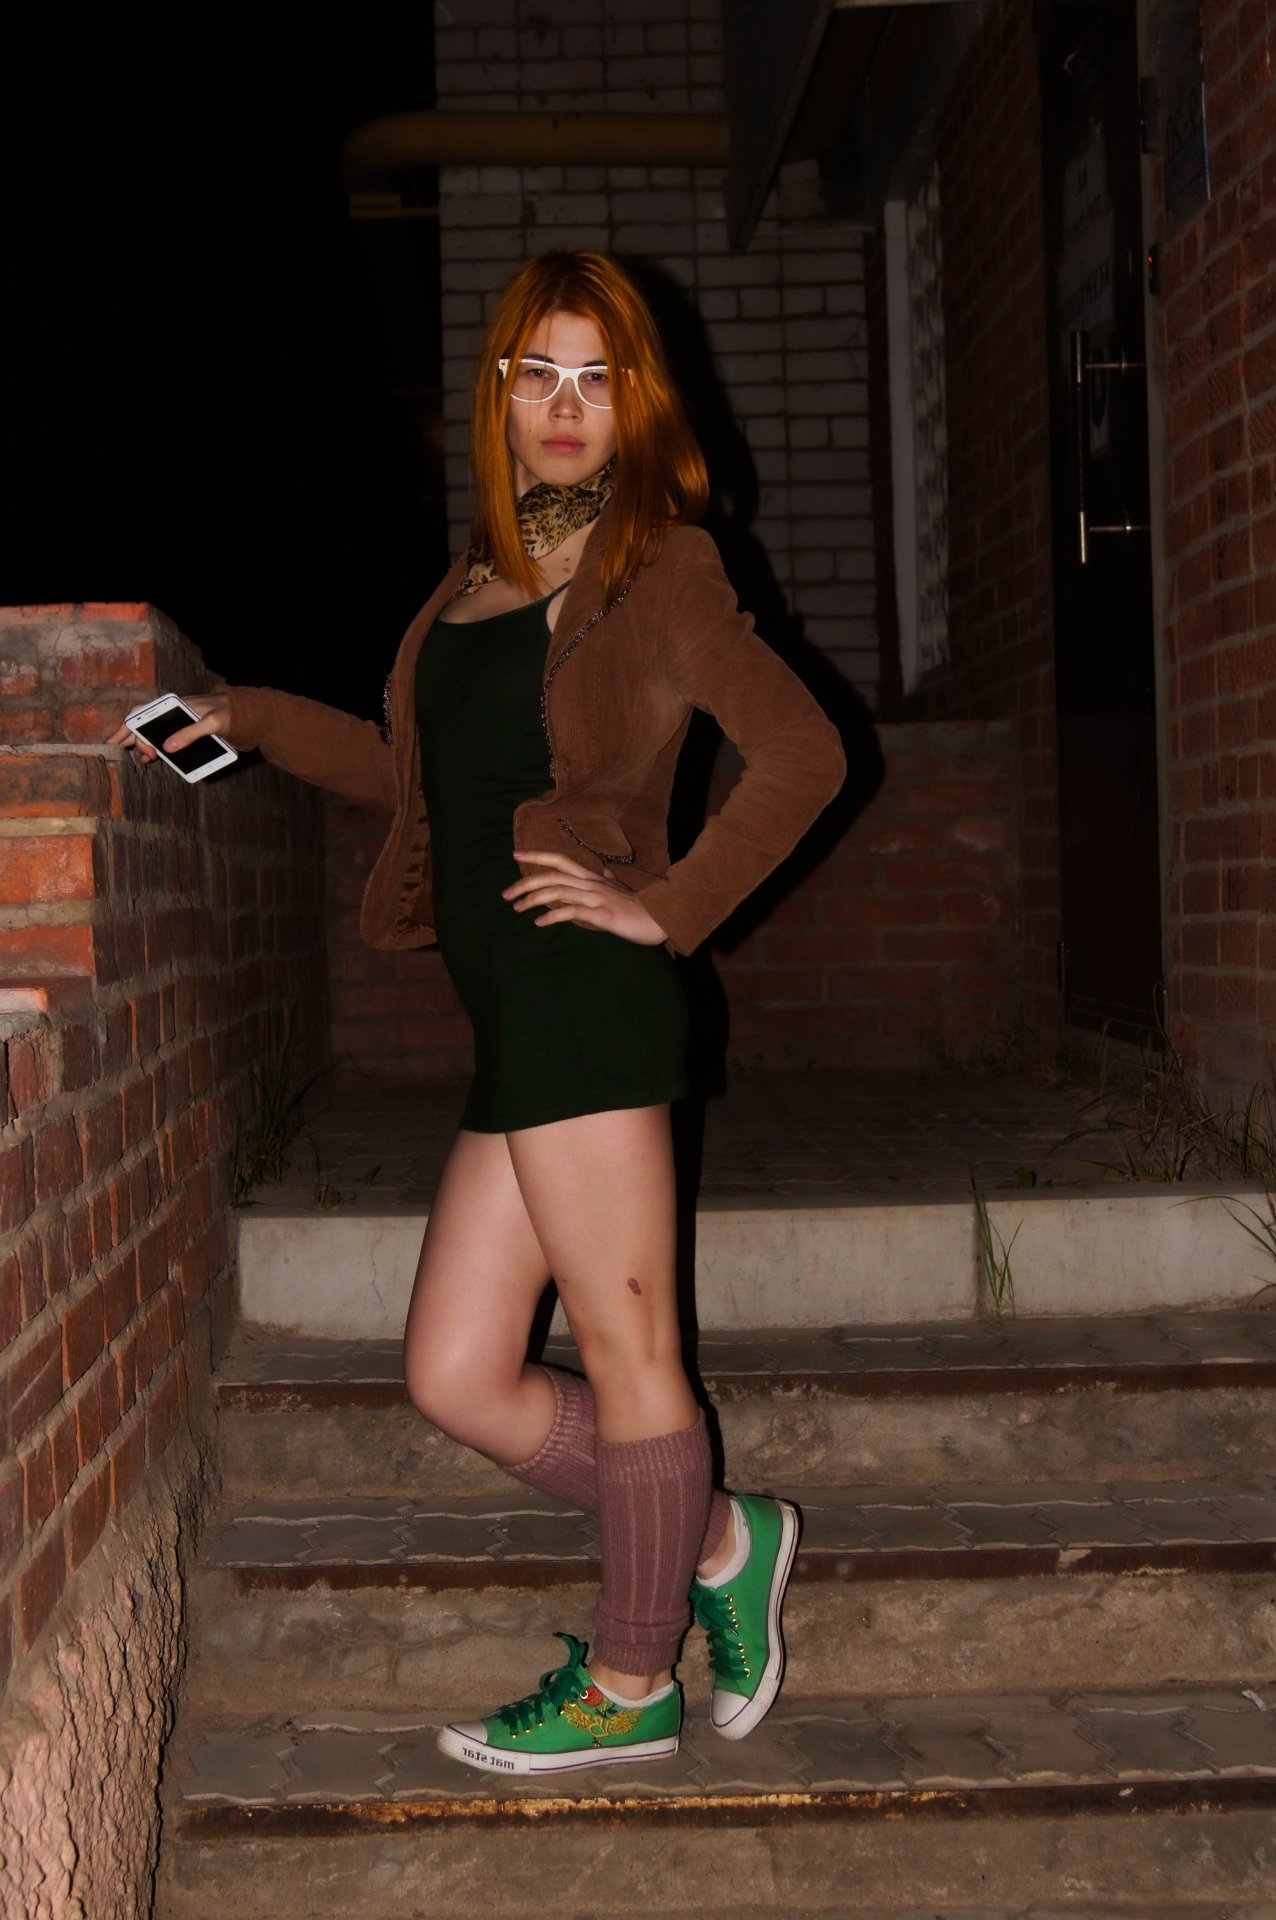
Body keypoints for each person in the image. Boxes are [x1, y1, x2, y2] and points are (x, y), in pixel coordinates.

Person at [111, 249, 845, 1777]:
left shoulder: (658, 568)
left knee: (632, 1352)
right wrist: (251, 721)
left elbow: (804, 751)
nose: (566, 406)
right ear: (498, 393)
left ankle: (630, 1682)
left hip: (586, 999)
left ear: (635, 402)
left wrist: (668, 907)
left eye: (598, 378)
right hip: (514, 1019)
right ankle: (723, 1534)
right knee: (455, 1370)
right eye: (539, 374)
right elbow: (421, 783)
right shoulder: (474, 585)